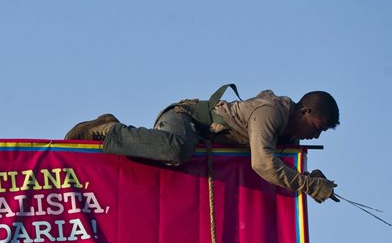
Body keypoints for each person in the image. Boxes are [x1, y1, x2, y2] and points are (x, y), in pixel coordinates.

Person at [64, 87, 340, 202]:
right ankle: (108, 130)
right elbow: (263, 163)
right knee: (178, 150)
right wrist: (307, 186)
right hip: (186, 119)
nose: (315, 137)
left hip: (203, 138)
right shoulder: (270, 112)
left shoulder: (289, 134)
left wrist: (309, 178)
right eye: (316, 128)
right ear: (304, 112)